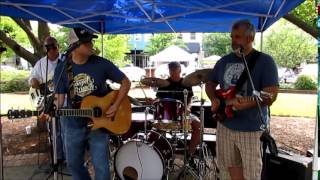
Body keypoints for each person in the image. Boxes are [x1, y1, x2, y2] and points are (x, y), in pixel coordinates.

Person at [53, 27, 131, 180]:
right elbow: (60, 101)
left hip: (100, 122)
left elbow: (125, 82)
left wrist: (115, 105)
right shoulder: (62, 69)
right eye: (86, 42)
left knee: (101, 166)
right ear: (74, 46)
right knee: (74, 164)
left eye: (91, 41)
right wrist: (51, 109)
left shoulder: (101, 63)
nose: (91, 44)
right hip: (73, 123)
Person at [205, 19, 279, 180]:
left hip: (251, 129)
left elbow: (270, 95)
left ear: (249, 38)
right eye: (232, 37)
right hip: (225, 125)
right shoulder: (224, 61)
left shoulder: (265, 61)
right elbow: (210, 83)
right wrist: (214, 99)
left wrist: (247, 103)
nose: (233, 41)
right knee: (226, 170)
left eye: (237, 37)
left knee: (251, 174)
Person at [28, 36, 66, 162]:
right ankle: (58, 158)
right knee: (54, 131)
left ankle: (68, 159)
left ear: (58, 46)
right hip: (49, 102)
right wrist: (34, 82)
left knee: (65, 130)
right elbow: (32, 79)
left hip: (65, 101)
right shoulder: (41, 63)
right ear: (45, 49)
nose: (51, 50)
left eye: (53, 46)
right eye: (48, 47)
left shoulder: (66, 60)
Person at [155, 62, 201, 161]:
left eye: (175, 71)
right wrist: (153, 101)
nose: (173, 73)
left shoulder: (186, 83)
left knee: (198, 125)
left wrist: (188, 107)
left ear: (180, 70)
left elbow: (190, 99)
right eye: (171, 71)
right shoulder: (163, 84)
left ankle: (190, 155)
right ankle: (162, 155)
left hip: (183, 113)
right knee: (159, 127)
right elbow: (158, 100)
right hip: (167, 115)